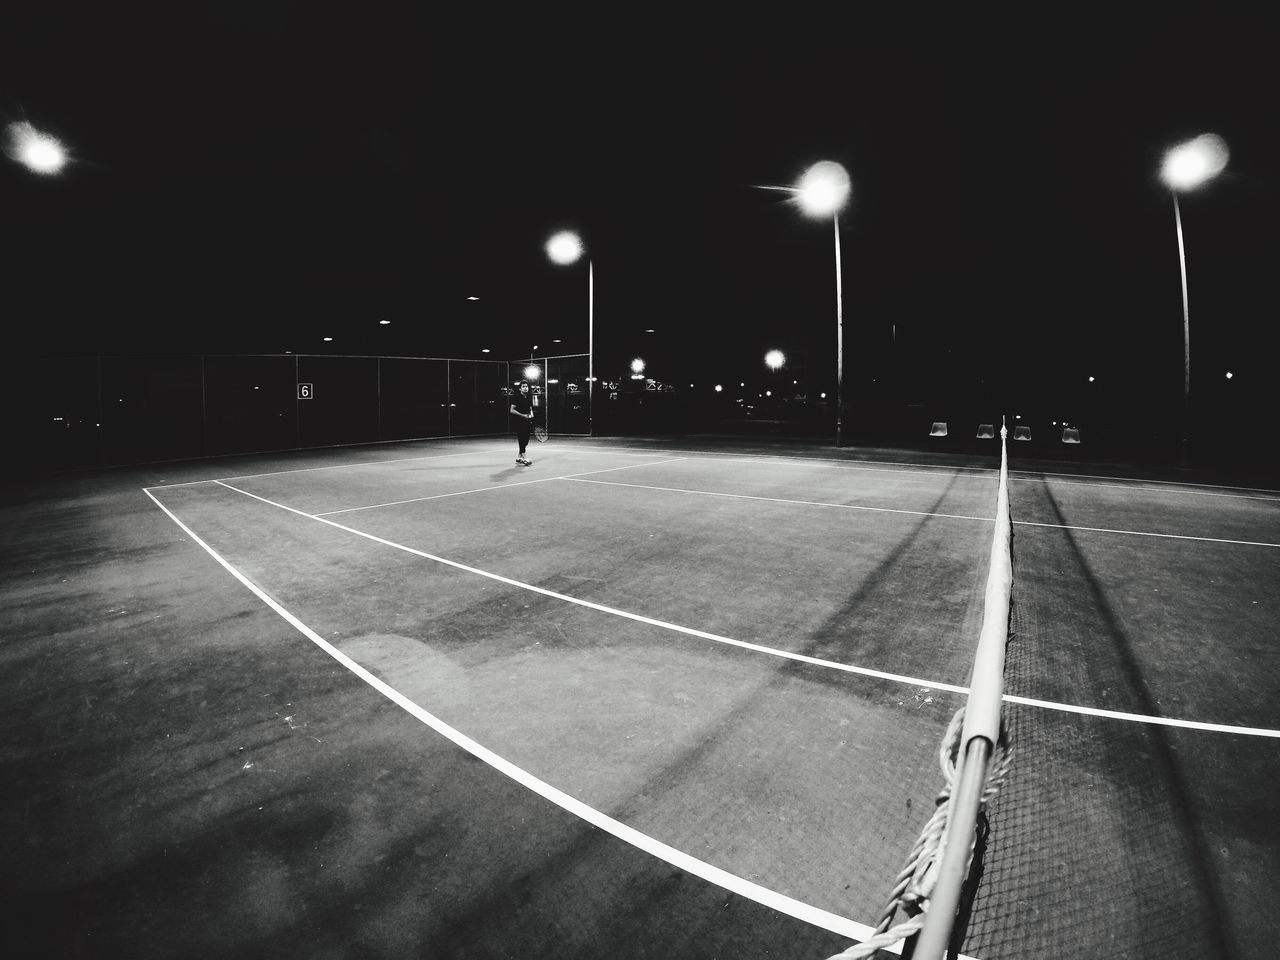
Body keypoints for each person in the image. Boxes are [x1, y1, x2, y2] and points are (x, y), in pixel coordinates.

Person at [509, 380, 535, 465]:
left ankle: (519, 457)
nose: (525, 388)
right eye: (523, 387)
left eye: (526, 386)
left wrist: (531, 415)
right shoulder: (516, 397)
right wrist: (522, 415)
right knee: (521, 438)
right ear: (520, 389)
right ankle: (524, 458)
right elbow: (512, 410)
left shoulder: (529, 397)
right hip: (518, 421)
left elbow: (530, 408)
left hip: (527, 421)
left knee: (526, 440)